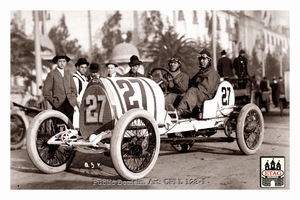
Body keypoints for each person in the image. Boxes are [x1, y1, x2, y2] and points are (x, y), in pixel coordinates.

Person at [168, 49, 220, 118]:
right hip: (197, 95)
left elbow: (205, 89)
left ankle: (179, 112)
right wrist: (178, 83)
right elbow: (190, 83)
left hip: (207, 97)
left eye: (204, 59)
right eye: (200, 59)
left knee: (192, 91)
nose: (201, 61)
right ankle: (166, 110)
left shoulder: (212, 74)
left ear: (209, 60)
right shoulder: (200, 72)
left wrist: (190, 91)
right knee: (177, 95)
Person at [43, 53, 78, 123]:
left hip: (69, 104)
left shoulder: (68, 74)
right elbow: (46, 92)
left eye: (64, 61)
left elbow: (74, 89)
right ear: (56, 62)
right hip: (58, 105)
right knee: (58, 124)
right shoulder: (51, 74)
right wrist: (54, 102)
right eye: (60, 61)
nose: (62, 63)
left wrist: (73, 99)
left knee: (69, 124)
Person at [73, 58, 89, 129]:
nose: (84, 69)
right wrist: (79, 104)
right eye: (82, 67)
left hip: (84, 103)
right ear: (77, 67)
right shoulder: (75, 78)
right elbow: (75, 93)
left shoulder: (84, 78)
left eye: (85, 68)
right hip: (78, 104)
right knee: (77, 122)